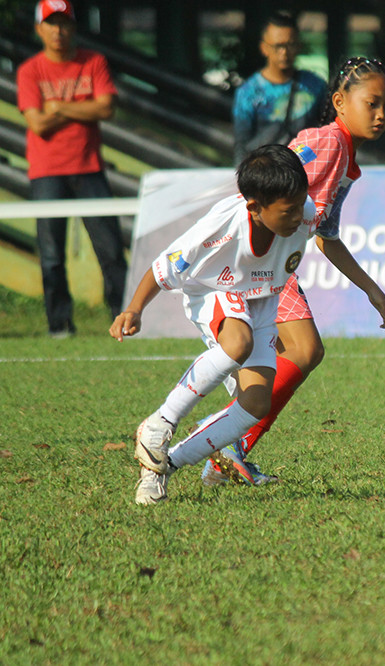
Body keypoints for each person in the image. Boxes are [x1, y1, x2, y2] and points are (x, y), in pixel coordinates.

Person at [201, 56, 385, 487]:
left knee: (300, 354)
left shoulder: (345, 156)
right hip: (261, 257)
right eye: (372, 103)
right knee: (305, 350)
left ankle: (227, 451)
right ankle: (224, 445)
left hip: (272, 260)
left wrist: (371, 289)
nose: (381, 113)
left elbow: (325, 234)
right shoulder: (327, 144)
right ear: (339, 102)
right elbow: (270, 186)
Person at [111, 145, 316, 503]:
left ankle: (162, 466)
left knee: (256, 404)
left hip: (262, 300)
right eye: (289, 210)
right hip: (215, 291)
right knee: (238, 343)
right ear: (254, 207)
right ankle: (160, 423)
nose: (299, 215)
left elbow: (330, 238)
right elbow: (163, 267)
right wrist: (134, 309)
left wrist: (372, 292)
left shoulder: (304, 212)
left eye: (301, 203)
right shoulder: (220, 228)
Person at [17, 0, 127, 337]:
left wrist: (59, 106)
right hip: (46, 171)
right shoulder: (30, 71)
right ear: (39, 29)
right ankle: (59, 325)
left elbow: (106, 108)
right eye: (51, 23)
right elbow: (37, 123)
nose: (58, 31)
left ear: (74, 27)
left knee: (109, 248)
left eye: (64, 23)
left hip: (89, 167)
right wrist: (83, 107)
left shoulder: (93, 62)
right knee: (51, 253)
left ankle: (122, 318)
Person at [232, 10, 328, 164]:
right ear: (264, 48)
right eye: (278, 46)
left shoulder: (316, 86)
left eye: (290, 45)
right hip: (266, 176)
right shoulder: (248, 92)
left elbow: (327, 135)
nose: (284, 52)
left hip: (307, 174)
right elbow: (242, 145)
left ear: (298, 46)